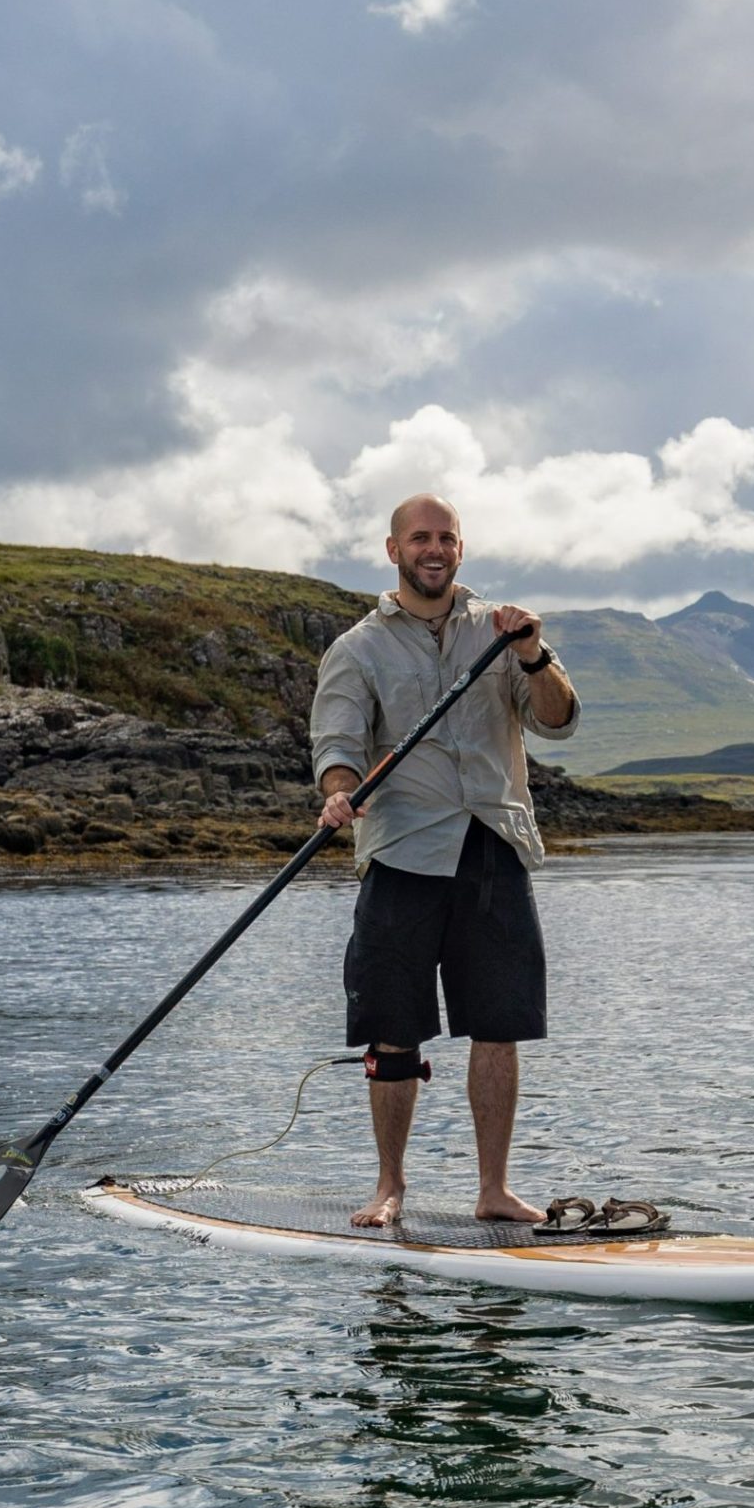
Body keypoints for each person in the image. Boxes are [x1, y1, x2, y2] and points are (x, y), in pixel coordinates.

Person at [310, 493, 579, 1227]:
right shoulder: (357, 649)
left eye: (447, 538)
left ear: (461, 548)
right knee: (393, 1023)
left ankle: (493, 1190)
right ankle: (389, 1187)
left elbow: (557, 721)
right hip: (402, 852)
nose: (435, 549)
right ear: (393, 549)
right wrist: (340, 793)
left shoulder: (500, 631)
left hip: (492, 844)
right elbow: (335, 745)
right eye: (420, 538)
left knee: (499, 1024)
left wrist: (533, 654)